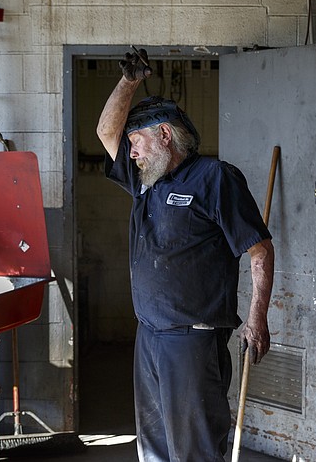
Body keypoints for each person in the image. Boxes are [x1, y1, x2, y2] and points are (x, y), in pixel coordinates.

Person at [96, 48, 275, 462]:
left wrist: (256, 319)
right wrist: (128, 82)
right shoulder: (146, 180)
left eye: (136, 140)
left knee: (193, 449)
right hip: (149, 335)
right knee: (154, 447)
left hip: (192, 341)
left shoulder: (214, 178)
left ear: (164, 135)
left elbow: (259, 250)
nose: (131, 151)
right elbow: (107, 133)